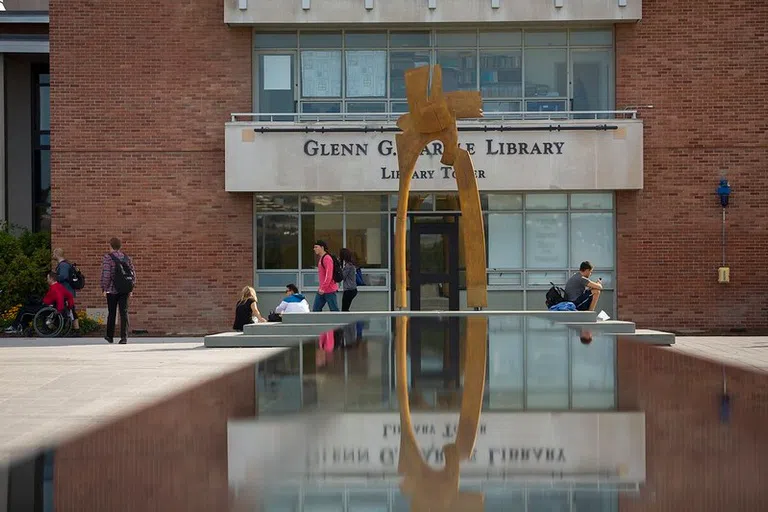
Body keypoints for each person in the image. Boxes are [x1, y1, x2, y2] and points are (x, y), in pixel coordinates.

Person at [100, 237, 136, 344]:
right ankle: (124, 337)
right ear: (120, 246)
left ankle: (110, 336)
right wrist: (131, 287)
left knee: (112, 312)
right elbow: (133, 273)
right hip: (125, 289)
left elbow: (106, 274)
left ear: (110, 246)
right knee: (124, 312)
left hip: (112, 289)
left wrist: (104, 288)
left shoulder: (108, 258)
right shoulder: (126, 257)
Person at [52, 248, 81, 336]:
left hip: (66, 292)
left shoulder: (63, 265)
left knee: (68, 310)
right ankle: (75, 330)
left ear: (57, 254)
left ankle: (73, 330)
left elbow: (63, 277)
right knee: (70, 310)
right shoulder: (65, 264)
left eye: (53, 253)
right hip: (67, 292)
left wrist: (54, 278)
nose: (52, 255)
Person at [312, 240, 339, 312]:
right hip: (322, 290)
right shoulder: (321, 258)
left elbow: (329, 275)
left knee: (334, 310)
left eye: (316, 247)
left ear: (322, 247)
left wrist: (323, 288)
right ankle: (318, 323)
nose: (314, 249)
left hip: (329, 290)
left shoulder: (327, 258)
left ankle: (338, 322)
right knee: (316, 310)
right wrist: (322, 288)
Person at [339, 248, 358, 312]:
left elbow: (343, 276)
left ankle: (347, 321)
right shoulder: (351, 264)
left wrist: (339, 270)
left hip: (349, 290)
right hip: (352, 289)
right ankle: (348, 321)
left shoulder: (348, 266)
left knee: (344, 309)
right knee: (346, 309)